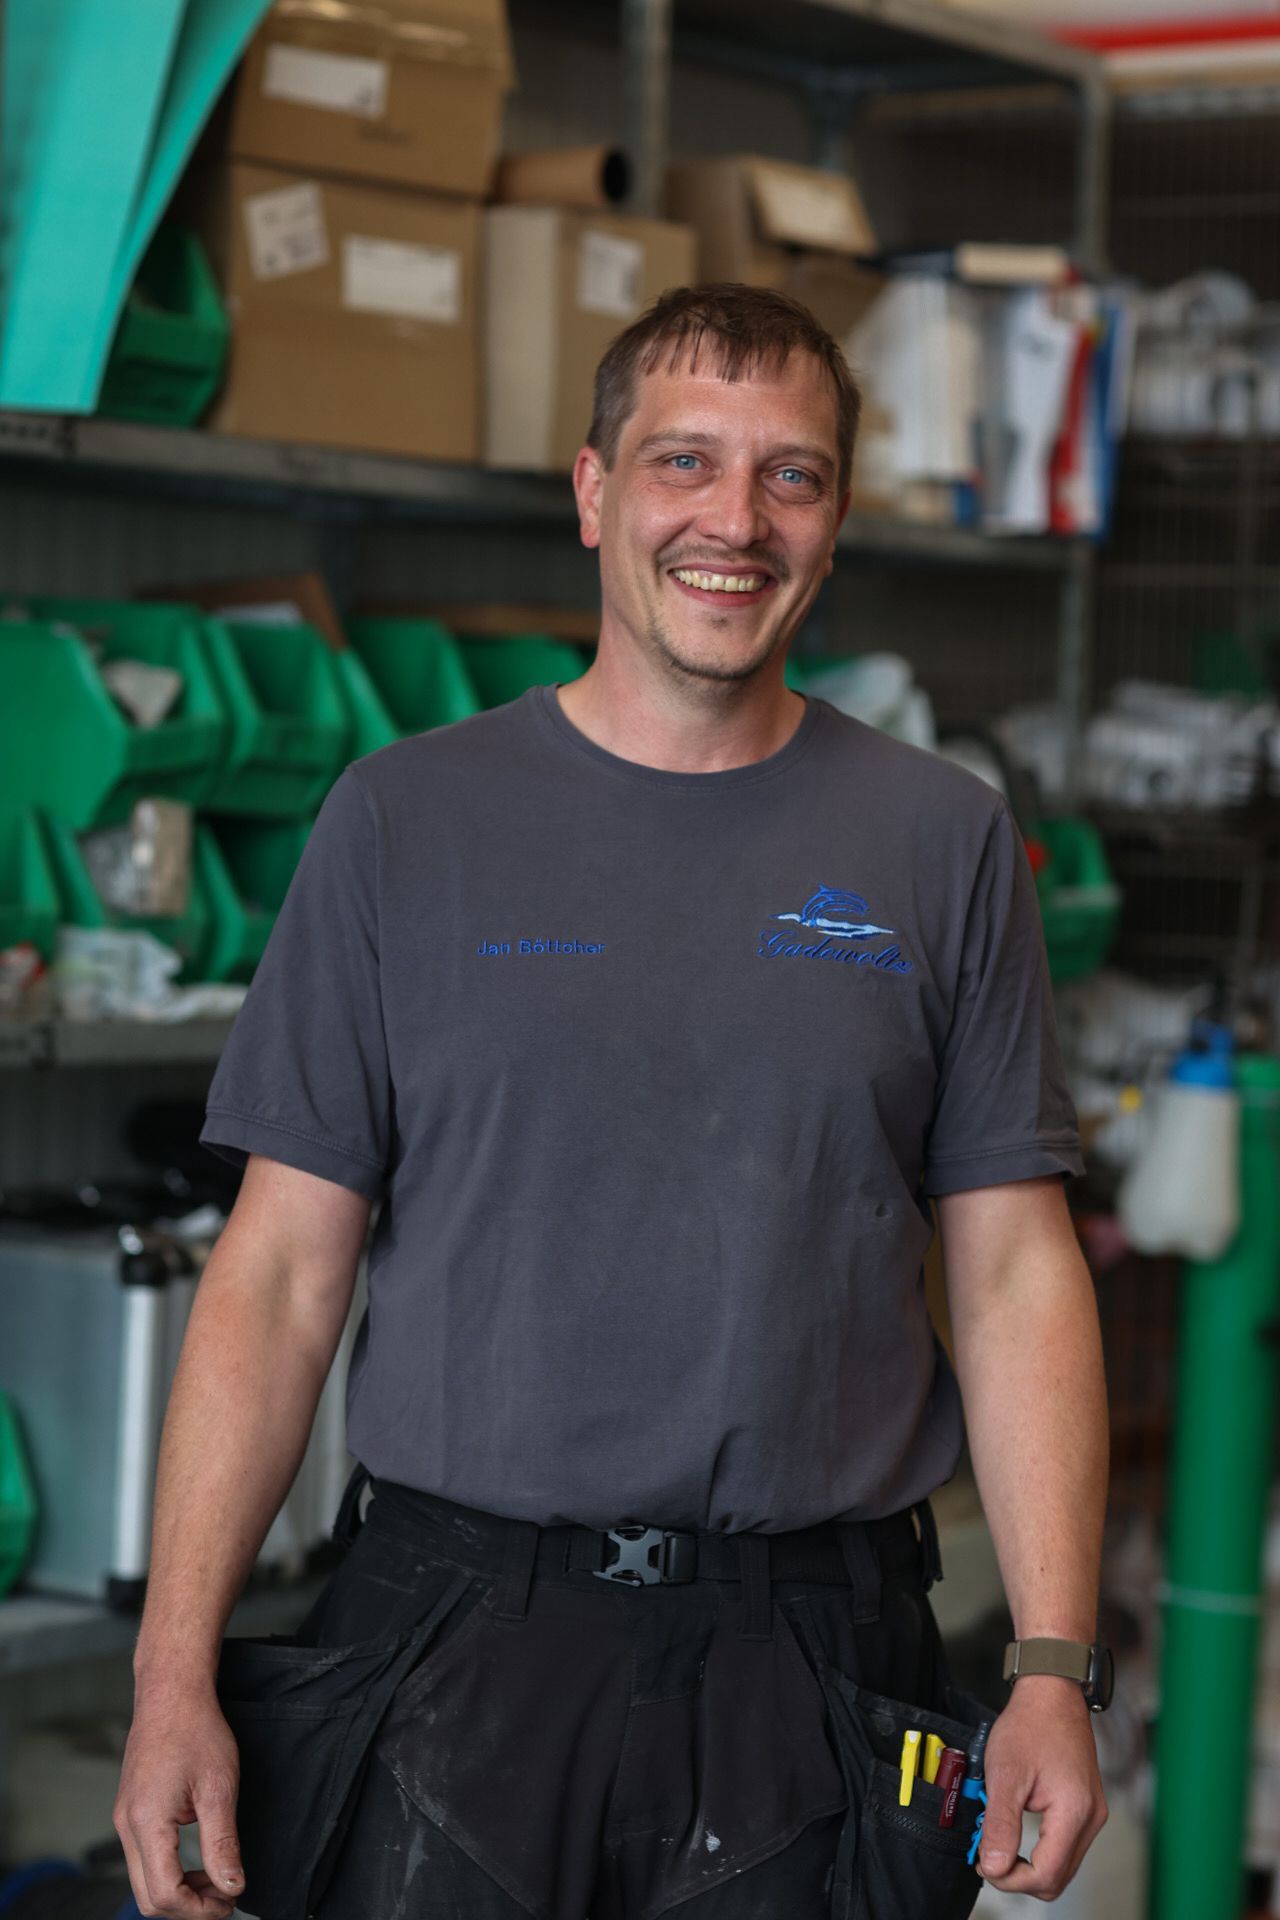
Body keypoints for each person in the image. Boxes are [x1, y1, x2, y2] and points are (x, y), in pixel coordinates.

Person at [115, 284, 1109, 1920]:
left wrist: (1055, 1663)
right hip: (452, 1636)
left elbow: (1013, 1273)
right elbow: (282, 1273)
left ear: (837, 520)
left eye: (792, 475)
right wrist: (172, 1679)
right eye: (685, 463)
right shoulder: (402, 826)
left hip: (817, 1657)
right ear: (592, 493)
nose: (736, 520)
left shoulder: (945, 845)